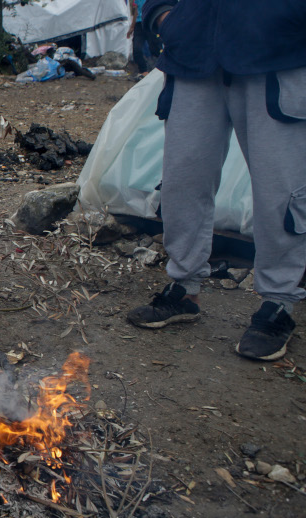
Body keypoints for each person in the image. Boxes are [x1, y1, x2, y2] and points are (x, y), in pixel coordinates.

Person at [126, 1, 306, 361]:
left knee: (279, 188)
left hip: (276, 49)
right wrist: (163, 15)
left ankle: (279, 302)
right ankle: (184, 285)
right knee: (182, 180)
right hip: (194, 50)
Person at [126, 0, 161, 76]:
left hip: (151, 22)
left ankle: (159, 70)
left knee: (155, 48)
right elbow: (136, 11)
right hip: (139, 24)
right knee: (136, 49)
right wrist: (132, 27)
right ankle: (143, 71)